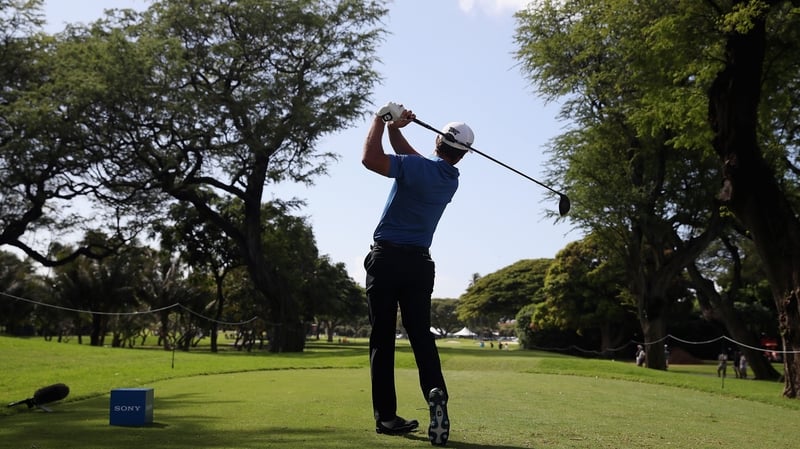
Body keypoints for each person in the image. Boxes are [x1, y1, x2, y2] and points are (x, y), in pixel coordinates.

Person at [362, 102, 473, 446]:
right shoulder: (449, 178)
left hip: (387, 259)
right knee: (420, 335)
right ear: (462, 154)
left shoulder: (416, 167)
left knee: (382, 337)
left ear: (438, 141)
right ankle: (435, 392)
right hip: (420, 266)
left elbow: (370, 159)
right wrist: (397, 127)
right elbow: (410, 157)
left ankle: (388, 418)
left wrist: (379, 121)